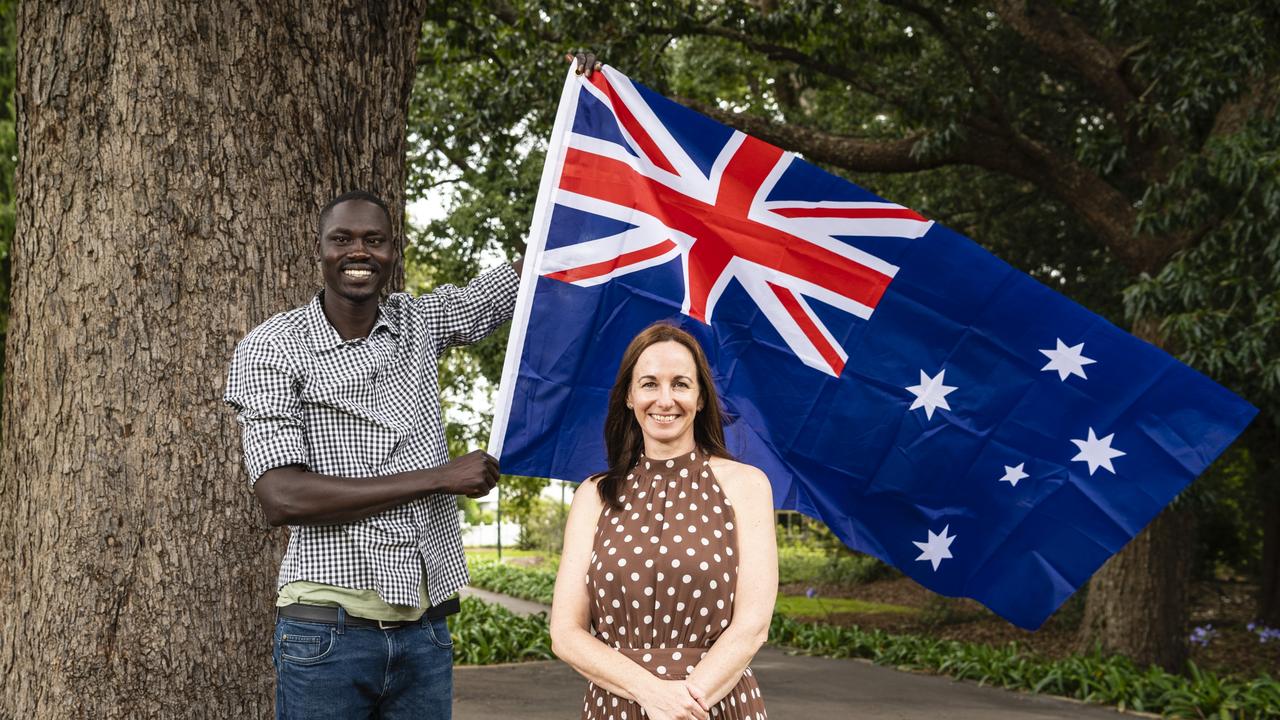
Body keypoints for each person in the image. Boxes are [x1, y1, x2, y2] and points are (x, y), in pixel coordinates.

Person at [224, 190, 518, 719]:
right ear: (320, 249)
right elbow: (282, 496)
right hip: (328, 635)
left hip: (424, 634)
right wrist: (438, 479)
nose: (359, 252)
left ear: (392, 252)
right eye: (343, 239)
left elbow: (502, 291)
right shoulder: (272, 346)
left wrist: (575, 228)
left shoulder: (418, 322)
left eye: (374, 240)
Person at [550, 323, 778, 720]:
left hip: (713, 703)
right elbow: (565, 633)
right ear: (629, 397)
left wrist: (683, 705)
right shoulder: (594, 495)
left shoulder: (747, 486)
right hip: (618, 704)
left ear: (701, 398)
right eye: (650, 384)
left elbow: (753, 625)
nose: (665, 399)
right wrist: (651, 693)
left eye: (681, 384)